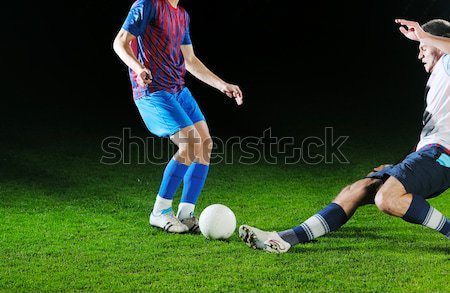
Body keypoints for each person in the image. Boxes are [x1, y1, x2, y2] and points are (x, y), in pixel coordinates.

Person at [239, 19, 450, 253]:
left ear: (439, 42)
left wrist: (423, 35)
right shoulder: (439, 76)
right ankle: (285, 239)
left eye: (422, 46)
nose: (419, 53)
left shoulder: (447, 64)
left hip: (442, 156)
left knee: (386, 199)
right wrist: (401, 165)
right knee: (359, 189)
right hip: (429, 153)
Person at [113, 0, 243, 233]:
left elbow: (190, 60)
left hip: (177, 90)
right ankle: (160, 211)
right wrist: (138, 67)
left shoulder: (182, 15)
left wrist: (222, 85)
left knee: (204, 144)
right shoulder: (147, 5)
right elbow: (120, 42)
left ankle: (186, 213)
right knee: (190, 143)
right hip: (152, 90)